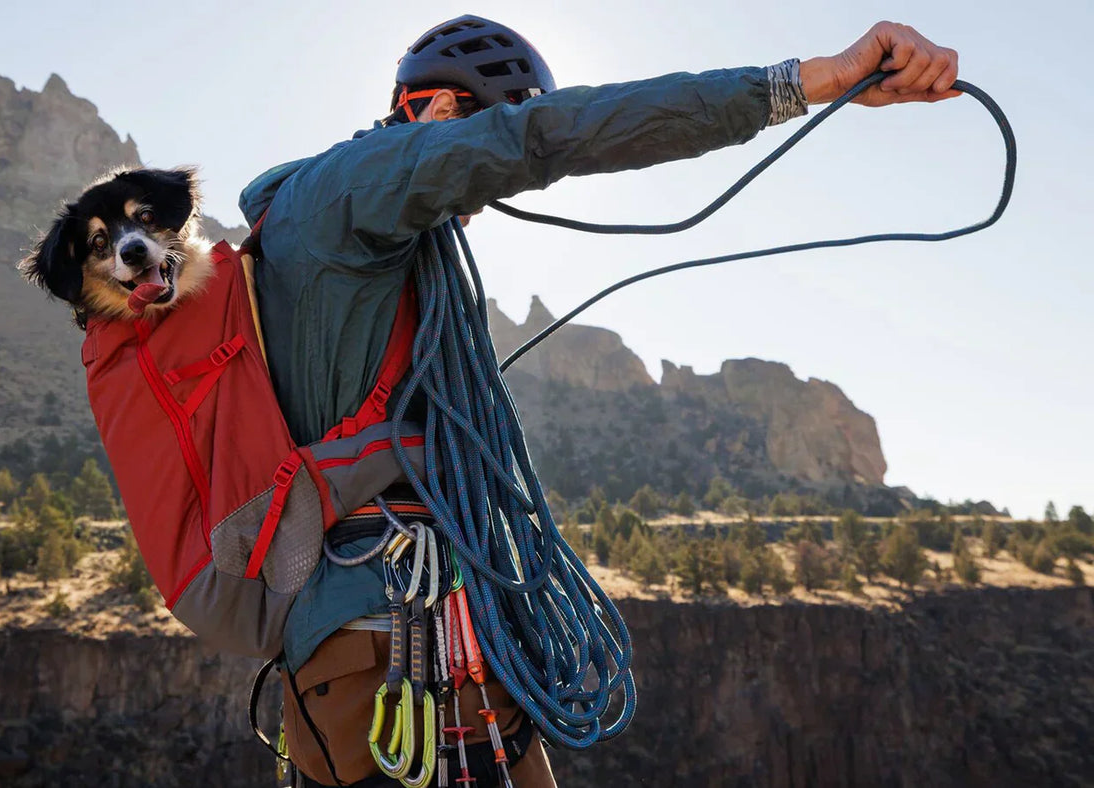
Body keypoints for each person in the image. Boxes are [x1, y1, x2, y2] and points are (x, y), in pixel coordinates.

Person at [239, 15, 960, 787]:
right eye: (492, 126)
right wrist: (809, 81)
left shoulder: (359, 225)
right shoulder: (353, 185)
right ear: (441, 111)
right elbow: (549, 135)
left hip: (427, 636)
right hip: (388, 649)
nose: (478, 203)